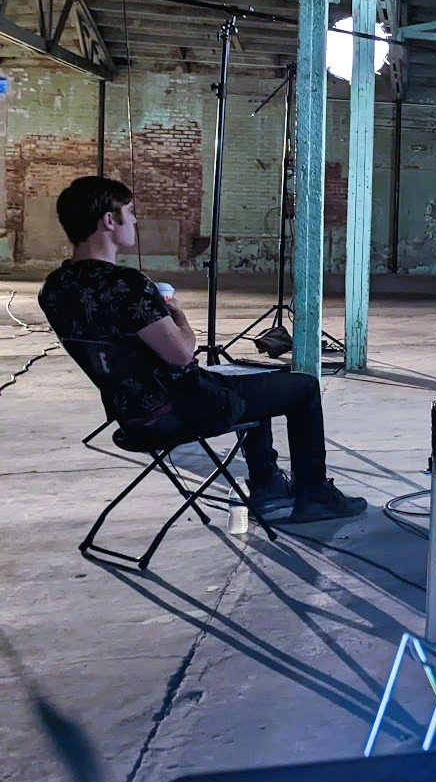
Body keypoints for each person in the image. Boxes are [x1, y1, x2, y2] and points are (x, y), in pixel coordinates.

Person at [38, 177, 365, 523]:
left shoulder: (55, 289)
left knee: (255, 379)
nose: (134, 221)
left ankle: (267, 486)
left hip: (131, 415)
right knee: (302, 387)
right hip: (176, 411)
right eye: (129, 213)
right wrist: (176, 313)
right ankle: (314, 495)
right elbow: (182, 354)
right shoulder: (127, 285)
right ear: (108, 220)